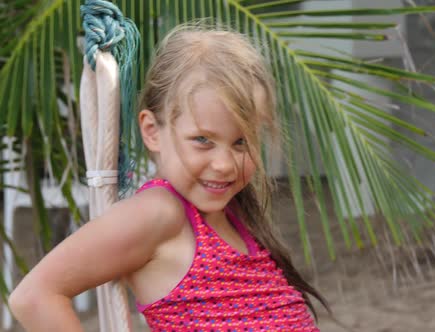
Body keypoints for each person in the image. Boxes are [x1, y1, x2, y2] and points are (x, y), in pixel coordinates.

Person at [9, 23, 328, 331]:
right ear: (152, 131)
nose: (225, 164)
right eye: (203, 140)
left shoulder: (232, 212)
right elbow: (34, 296)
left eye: (241, 141)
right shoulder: (160, 213)